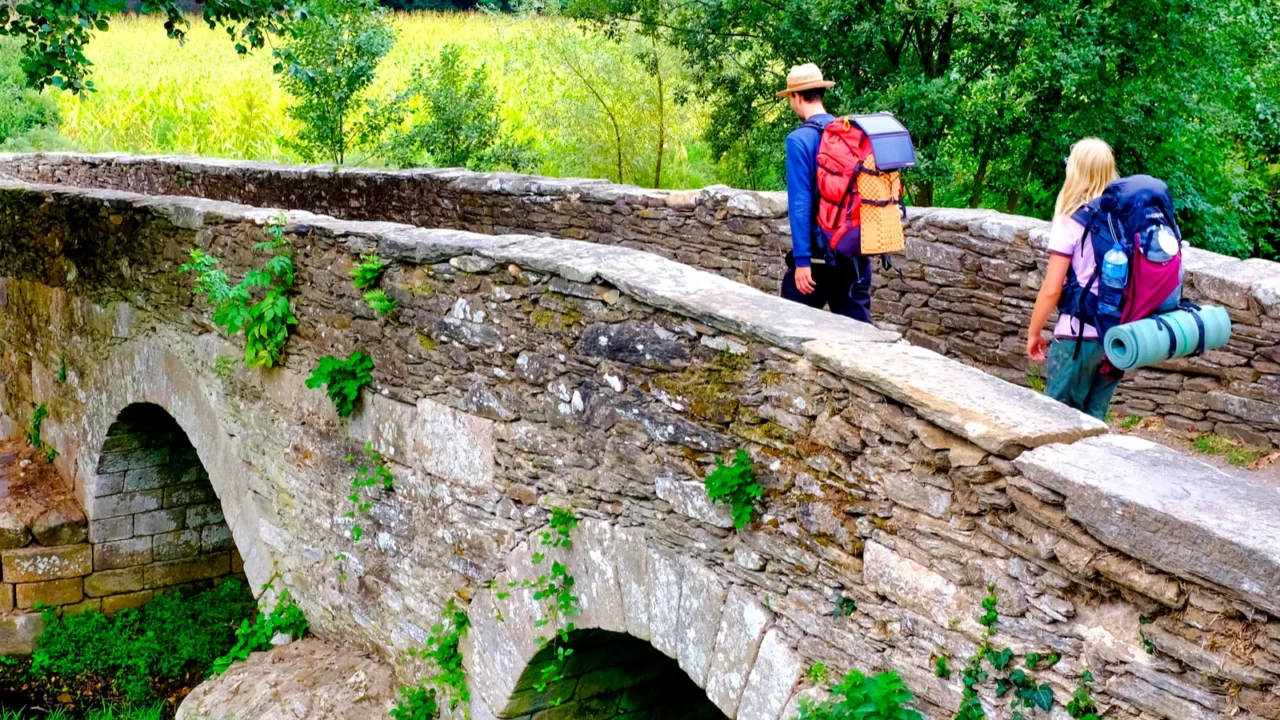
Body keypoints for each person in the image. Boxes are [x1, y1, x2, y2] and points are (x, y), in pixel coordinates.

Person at [1025, 137, 1121, 420]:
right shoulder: (1123, 218)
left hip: (1076, 337)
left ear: (1076, 171)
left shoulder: (1070, 221)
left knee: (1056, 421)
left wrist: (1034, 332)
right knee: (1094, 422)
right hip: (1114, 339)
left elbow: (1052, 288)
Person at [776, 63, 874, 324]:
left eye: (790, 98)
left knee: (788, 328)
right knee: (861, 336)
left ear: (797, 97)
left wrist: (802, 261)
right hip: (854, 252)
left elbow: (800, 204)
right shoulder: (849, 133)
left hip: (818, 259)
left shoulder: (799, 140)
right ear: (821, 92)